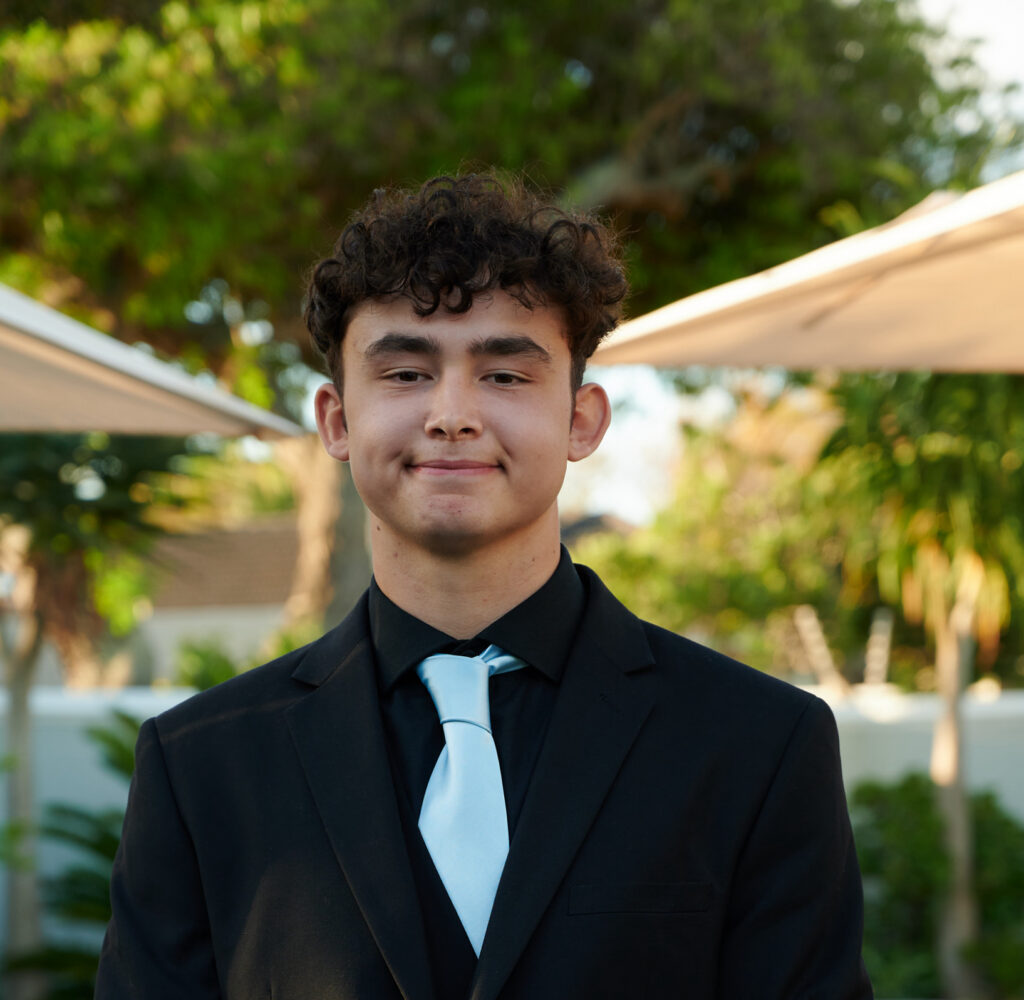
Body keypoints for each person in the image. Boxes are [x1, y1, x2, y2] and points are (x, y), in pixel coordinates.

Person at [96, 174, 872, 999]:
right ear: (337, 420)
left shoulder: (759, 744)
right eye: (405, 373)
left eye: (505, 375)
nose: (452, 414)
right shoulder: (200, 766)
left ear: (582, 419)